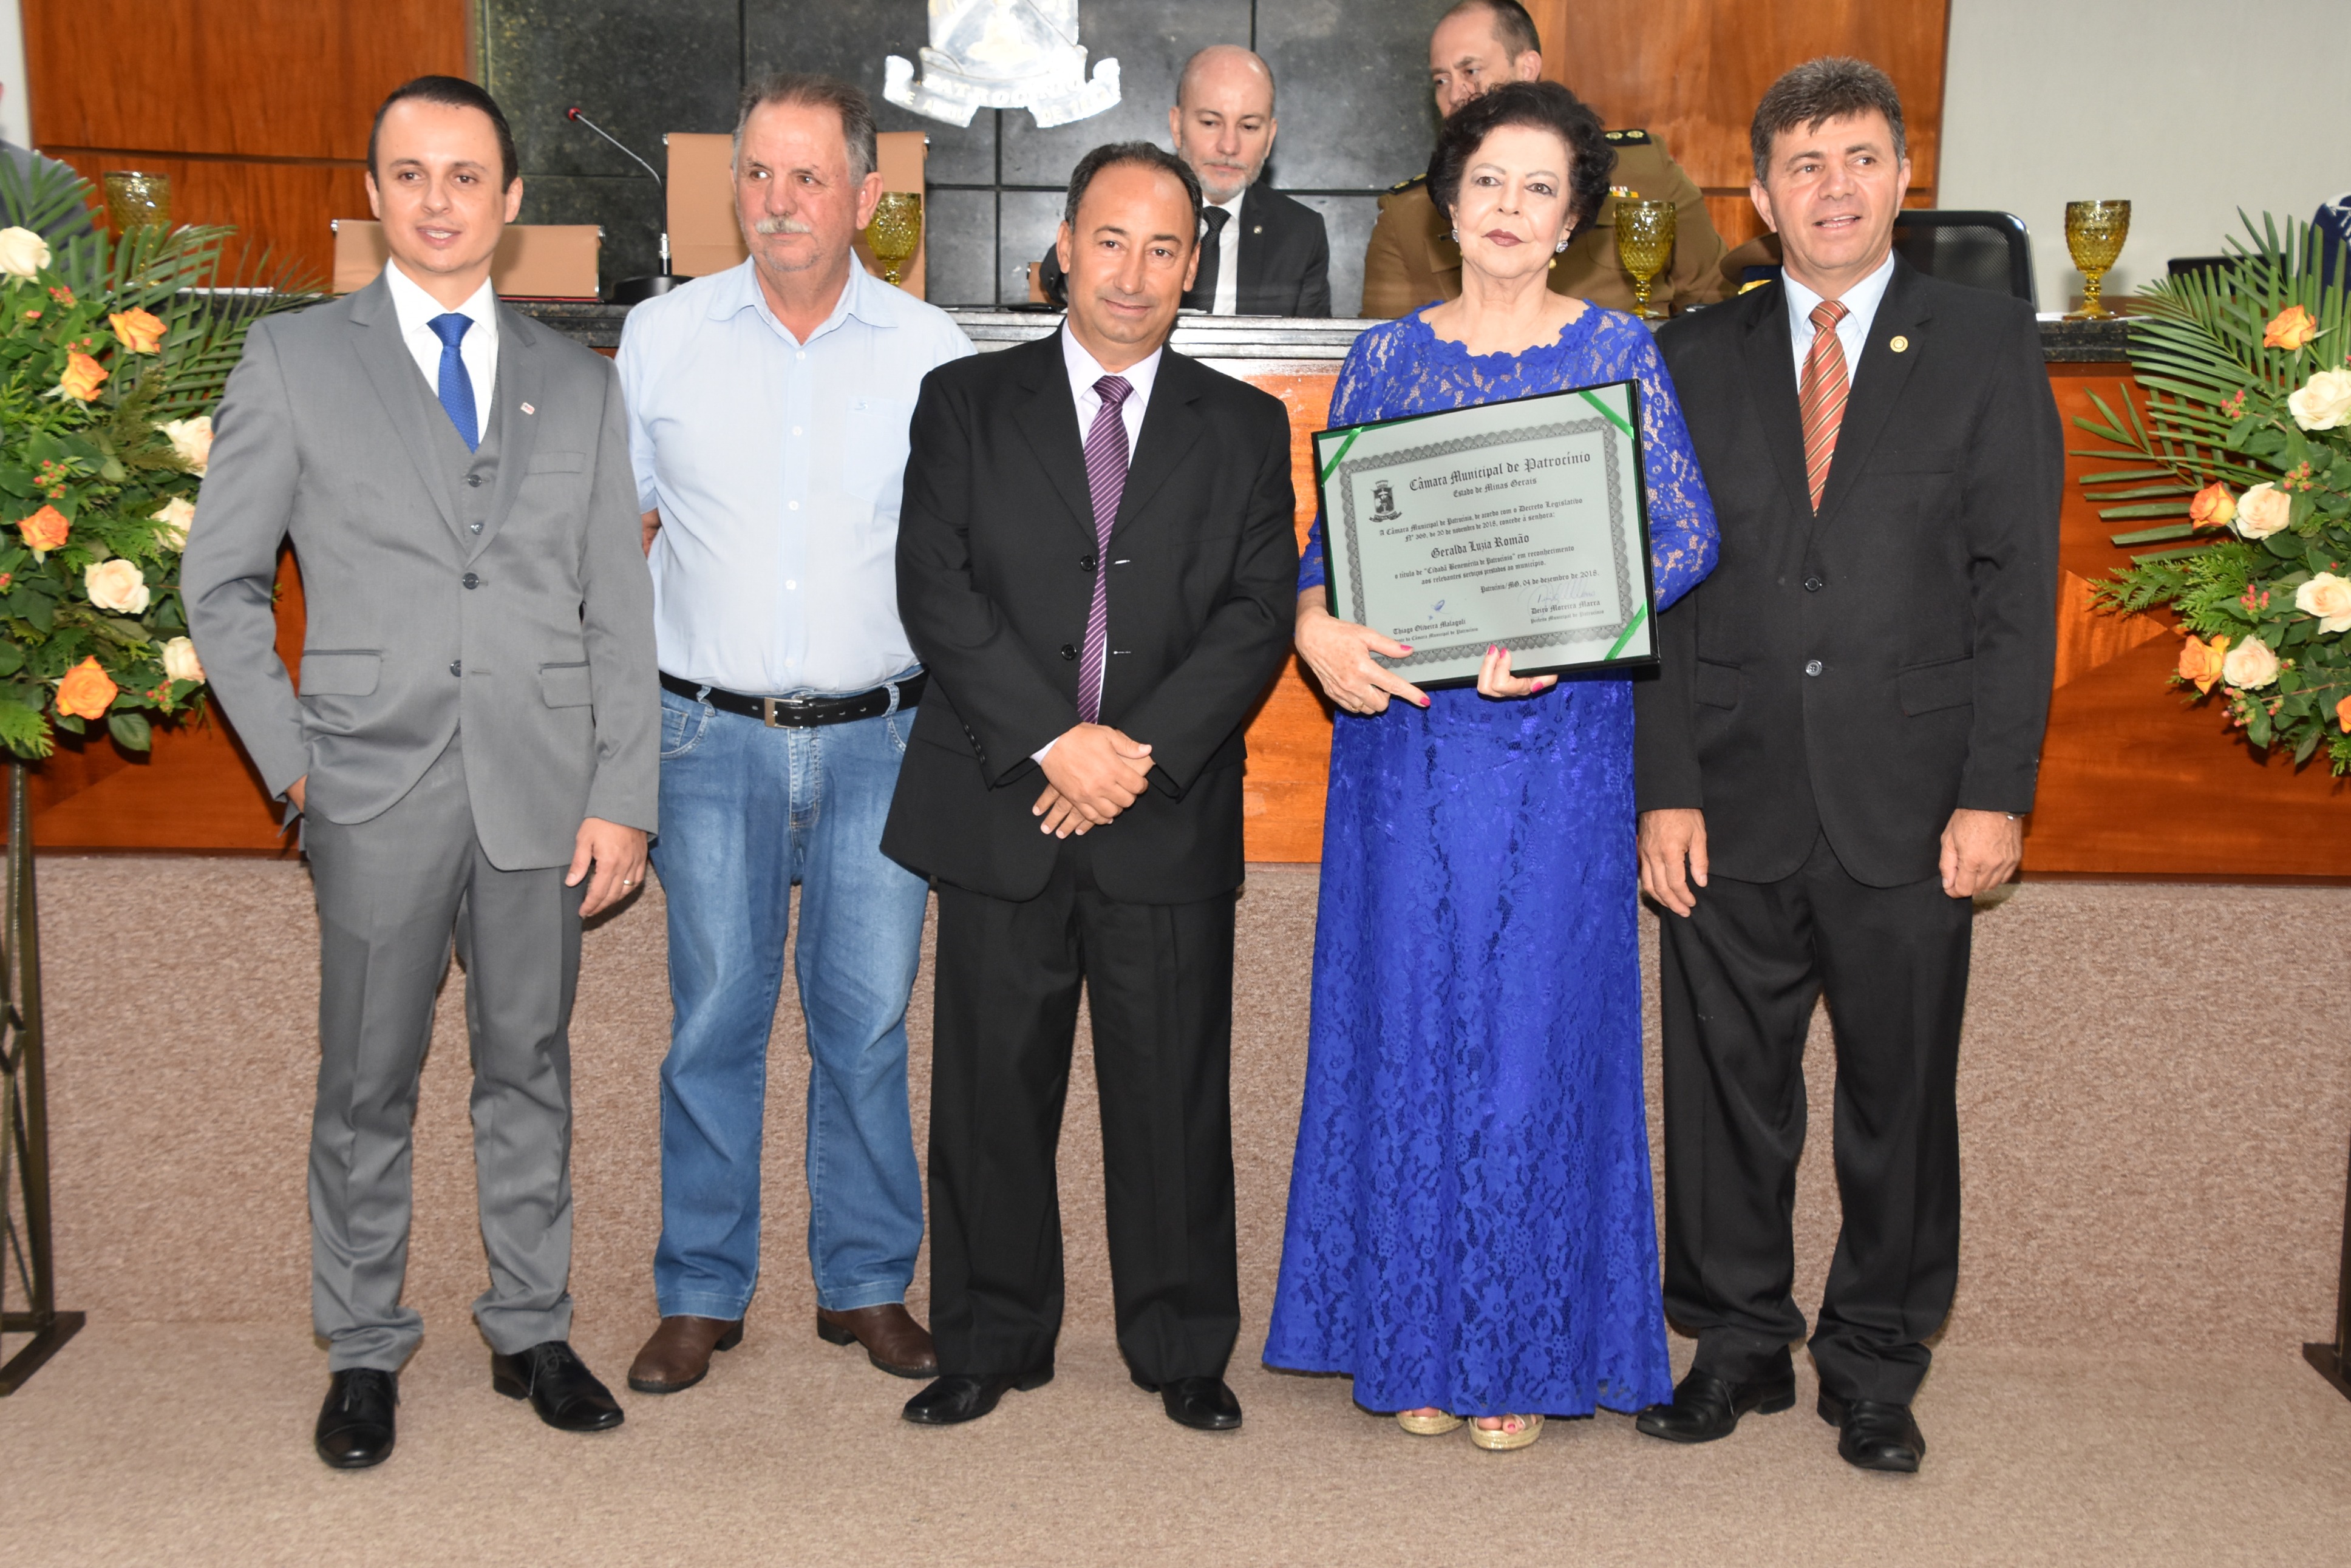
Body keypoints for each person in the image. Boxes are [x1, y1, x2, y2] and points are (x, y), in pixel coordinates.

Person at [183, 76, 658, 1469]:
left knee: (529, 1068)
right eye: (410, 174)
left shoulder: (584, 383)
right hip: (366, 786)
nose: (438, 200)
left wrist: (622, 792)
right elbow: (219, 584)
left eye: (465, 176)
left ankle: (531, 1328)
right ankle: (363, 1346)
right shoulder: (293, 361)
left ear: (510, 202)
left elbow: (618, 610)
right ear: (374, 196)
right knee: (366, 1080)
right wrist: (295, 767)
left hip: (542, 786)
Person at [1265, 79, 1718, 1451]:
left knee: (1529, 1041)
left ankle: (1519, 1347)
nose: (1510, 208)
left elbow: (1686, 536)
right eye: (1487, 183)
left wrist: (1572, 635)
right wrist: (1313, 627)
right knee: (1406, 1027)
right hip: (1406, 749)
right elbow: (1328, 549)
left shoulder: (1620, 350)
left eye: (1539, 188)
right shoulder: (1385, 359)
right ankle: (1409, 1337)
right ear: (1448, 203)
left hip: (1558, 748)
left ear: (1573, 218)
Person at [1630, 58, 2061, 1475]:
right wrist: (1663, 783)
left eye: (1860, 158)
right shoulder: (1692, 354)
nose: (1833, 187)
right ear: (1760, 196)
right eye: (1803, 164)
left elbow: (2018, 586)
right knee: (1724, 1096)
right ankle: (1736, 1343)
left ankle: (1876, 1361)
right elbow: (1659, 594)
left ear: (1902, 179)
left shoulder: (1984, 341)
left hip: (1916, 798)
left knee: (1899, 1097)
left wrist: (1997, 790)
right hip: (1729, 789)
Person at [883, 141, 1298, 1432]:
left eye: (1163, 248)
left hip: (1161, 809)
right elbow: (934, 589)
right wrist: (1054, 741)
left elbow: (1255, 613)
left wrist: (1133, 754)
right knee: (989, 1092)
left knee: (1172, 1093)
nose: (1132, 271)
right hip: (1004, 795)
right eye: (1109, 240)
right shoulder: (965, 401)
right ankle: (987, 1340)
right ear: (1063, 247)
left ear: (1191, 267)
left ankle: (1182, 1344)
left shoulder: (1242, 425)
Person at [616, 75, 974, 1399]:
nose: (779, 202)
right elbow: (610, 544)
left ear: (866, 197)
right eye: (759, 174)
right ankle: (700, 1291)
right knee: (713, 1016)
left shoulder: (933, 349)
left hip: (884, 738)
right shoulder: (662, 337)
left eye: (808, 177)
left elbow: (964, 558)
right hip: (708, 737)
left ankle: (865, 1281)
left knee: (866, 1023)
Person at [1361, 0, 1727, 319]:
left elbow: (1715, 303)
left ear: (1527, 68)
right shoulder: (1407, 213)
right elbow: (1381, 347)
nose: (1456, 93)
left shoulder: (1644, 169)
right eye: (1441, 80)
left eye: (1471, 71)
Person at [1035, 46, 1330, 316]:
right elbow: (1057, 273)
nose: (1229, 146)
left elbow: (1313, 349)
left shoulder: (1301, 232)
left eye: (1249, 126)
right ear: (1177, 126)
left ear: (1270, 137)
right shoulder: (1132, 197)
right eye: (1210, 123)